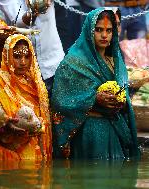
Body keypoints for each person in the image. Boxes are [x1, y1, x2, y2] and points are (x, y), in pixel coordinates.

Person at [51, 8, 140, 159]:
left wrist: (120, 102)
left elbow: (124, 95)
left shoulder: (116, 62)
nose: (104, 35)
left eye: (109, 30)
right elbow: (60, 100)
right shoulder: (73, 62)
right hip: (88, 132)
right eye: (98, 30)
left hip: (114, 130)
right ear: (89, 30)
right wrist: (94, 99)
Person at [0, 34, 52, 162]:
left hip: (34, 155)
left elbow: (44, 121)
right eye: (17, 56)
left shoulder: (36, 87)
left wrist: (38, 126)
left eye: (27, 57)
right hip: (6, 155)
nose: (23, 62)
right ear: (7, 56)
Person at [0, 0, 65, 97]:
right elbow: (17, 21)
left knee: (56, 109)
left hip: (53, 63)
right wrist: (37, 8)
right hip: (23, 67)